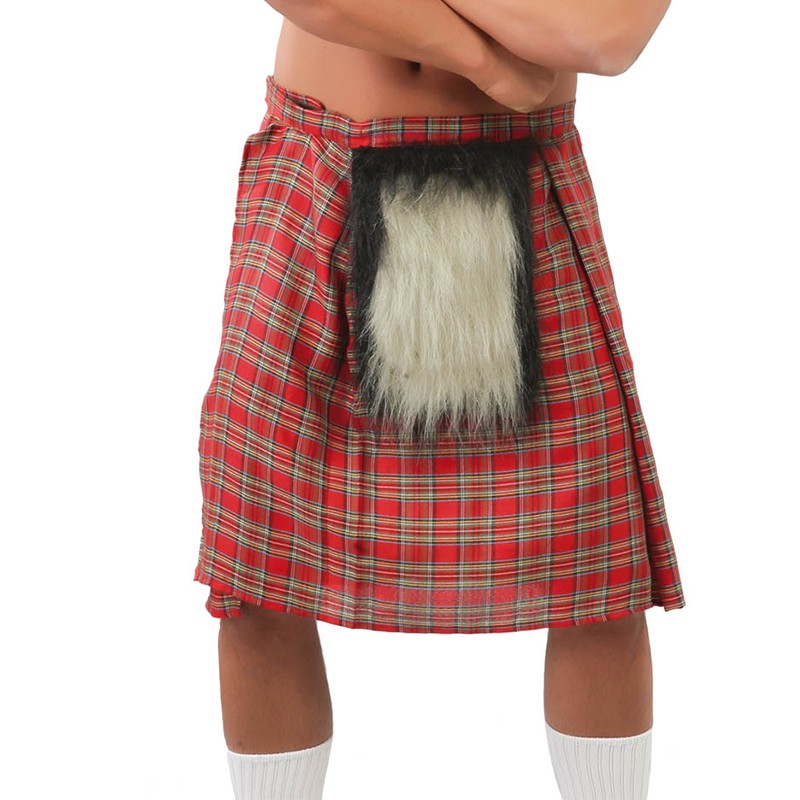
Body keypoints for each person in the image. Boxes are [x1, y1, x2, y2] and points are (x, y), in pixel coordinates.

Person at [192, 1, 687, 798]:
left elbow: (601, 33)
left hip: (523, 176)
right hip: (318, 166)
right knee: (259, 578)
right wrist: (484, 59)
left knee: (597, 582)